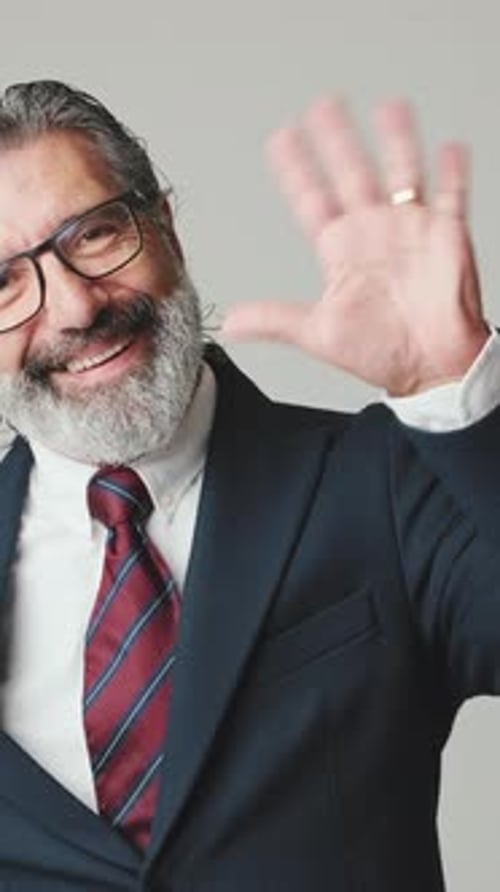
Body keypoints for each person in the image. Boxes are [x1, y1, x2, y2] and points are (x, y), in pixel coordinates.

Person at [0, 79, 498, 892]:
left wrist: (454, 387)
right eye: (4, 284)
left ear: (164, 228)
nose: (73, 310)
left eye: (94, 235)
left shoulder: (381, 481)